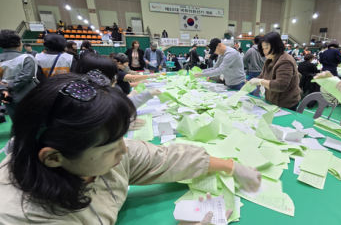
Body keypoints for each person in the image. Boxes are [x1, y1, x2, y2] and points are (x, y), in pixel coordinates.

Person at [0, 72, 261, 224]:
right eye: (110, 147)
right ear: (53, 158)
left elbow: (165, 158)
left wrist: (231, 166)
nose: (124, 151)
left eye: (123, 137)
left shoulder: (93, 156)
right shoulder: (26, 217)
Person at [247, 31, 301, 110]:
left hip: (285, 104)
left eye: (267, 48)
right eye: (263, 48)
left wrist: (260, 81)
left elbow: (280, 85)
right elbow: (263, 75)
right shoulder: (270, 59)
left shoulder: (285, 61)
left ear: (276, 46)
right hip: (272, 100)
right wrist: (251, 81)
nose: (264, 51)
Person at [0, 30, 38, 121]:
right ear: (19, 43)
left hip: (7, 97)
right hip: (28, 95)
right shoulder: (27, 58)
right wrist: (10, 85)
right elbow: (26, 77)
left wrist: (3, 88)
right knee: (32, 121)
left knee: (16, 119)